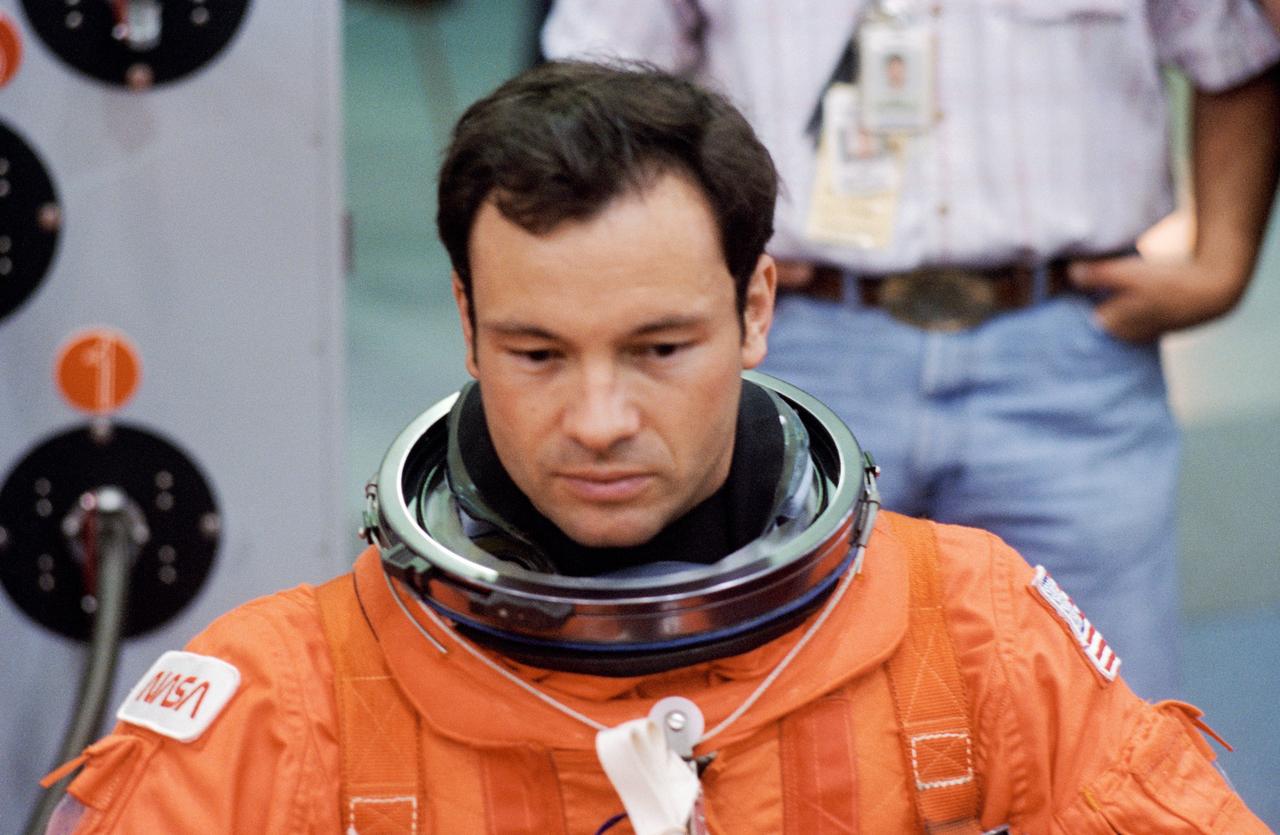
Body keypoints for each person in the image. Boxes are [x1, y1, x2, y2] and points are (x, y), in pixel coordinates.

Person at [37, 62, 1268, 834]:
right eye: (535, 352)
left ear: (755, 311)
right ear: (463, 325)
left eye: (659, 347)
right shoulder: (282, 700)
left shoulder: (969, 624)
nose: (597, 420)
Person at [541, 1, 1280, 702]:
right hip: (795, 345)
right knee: (782, 715)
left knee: (1105, 714)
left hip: (1066, 344)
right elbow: (596, 84)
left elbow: (1235, 54)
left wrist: (1224, 260)